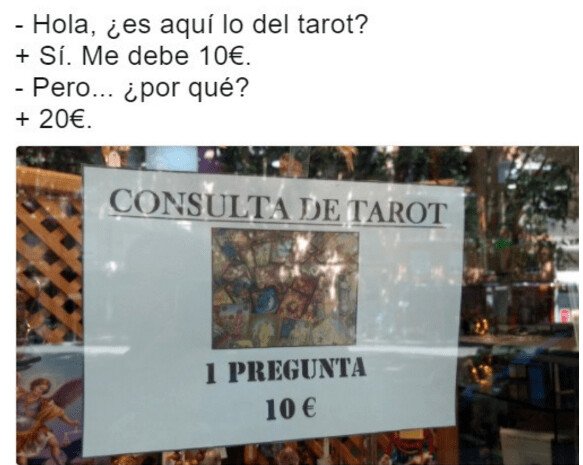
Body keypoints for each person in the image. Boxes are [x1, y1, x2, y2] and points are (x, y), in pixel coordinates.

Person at [17, 377, 80, 465]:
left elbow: (59, 412)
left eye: (43, 391)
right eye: (40, 388)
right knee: (21, 457)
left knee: (53, 442)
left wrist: (70, 422)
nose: (40, 391)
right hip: (18, 433)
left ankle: (59, 462)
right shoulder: (19, 394)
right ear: (34, 385)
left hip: (34, 429)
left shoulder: (43, 402)